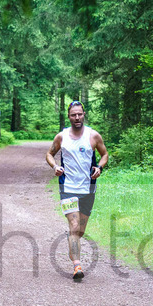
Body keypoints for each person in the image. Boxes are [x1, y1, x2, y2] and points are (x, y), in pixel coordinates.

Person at [46, 100, 109, 281]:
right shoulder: (62, 137)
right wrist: (54, 166)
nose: (77, 117)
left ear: (84, 114)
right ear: (69, 116)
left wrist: (100, 168)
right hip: (67, 187)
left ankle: (73, 245)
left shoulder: (93, 136)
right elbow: (49, 154)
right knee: (74, 227)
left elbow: (104, 154)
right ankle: (77, 266)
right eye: (73, 115)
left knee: (80, 230)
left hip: (88, 188)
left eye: (79, 114)